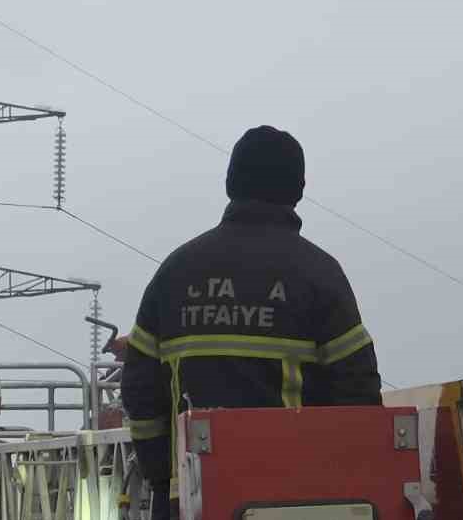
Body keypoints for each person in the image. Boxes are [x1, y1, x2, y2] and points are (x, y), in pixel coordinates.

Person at [120, 125, 382, 499]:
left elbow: (140, 389)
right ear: (299, 188)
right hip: (295, 499)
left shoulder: (175, 272)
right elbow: (359, 393)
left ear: (230, 182)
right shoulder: (319, 274)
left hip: (195, 497)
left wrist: (162, 482)